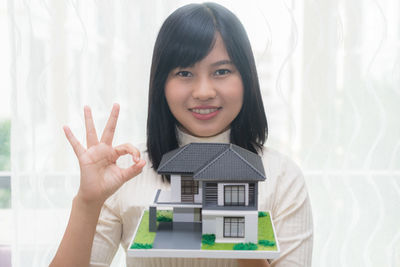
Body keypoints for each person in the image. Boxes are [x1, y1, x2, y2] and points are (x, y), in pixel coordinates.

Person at [50, 2, 313, 267]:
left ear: (246, 78)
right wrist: (88, 202)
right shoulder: (126, 173)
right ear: (161, 84)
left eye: (221, 71)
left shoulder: (282, 177)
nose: (203, 91)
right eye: (184, 73)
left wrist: (239, 236)